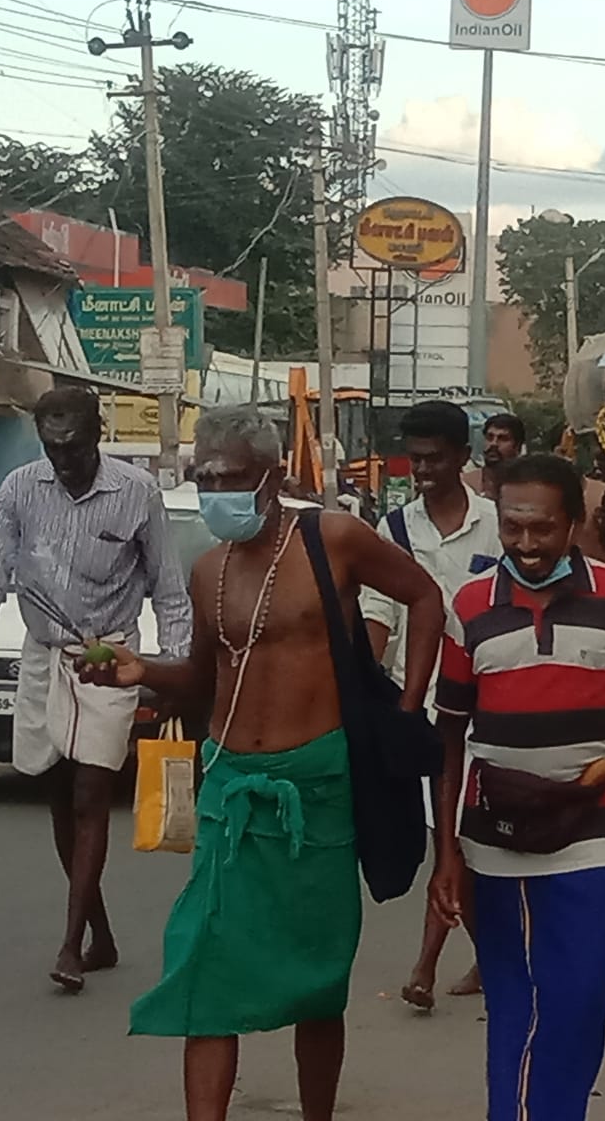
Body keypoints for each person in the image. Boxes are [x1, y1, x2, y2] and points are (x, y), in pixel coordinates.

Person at [95, 405, 444, 1121]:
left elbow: (424, 596)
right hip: (228, 790)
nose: (217, 490)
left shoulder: (333, 538)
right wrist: (141, 674)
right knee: (203, 967)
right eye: (205, 477)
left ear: (274, 476)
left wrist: (407, 709)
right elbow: (201, 677)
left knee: (317, 978)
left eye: (233, 477)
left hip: (315, 788)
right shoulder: (208, 571)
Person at [429, 453, 605, 1121]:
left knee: (581, 999)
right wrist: (446, 854)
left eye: (541, 529)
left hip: (590, 832)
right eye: (513, 527)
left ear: (573, 524)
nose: (525, 543)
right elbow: (449, 739)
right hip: (496, 839)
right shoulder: (468, 608)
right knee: (518, 1005)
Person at [0, 387, 191, 993]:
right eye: (51, 445)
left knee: (93, 790)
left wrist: (172, 669)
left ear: (97, 433)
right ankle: (101, 934)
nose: (63, 457)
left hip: (109, 658)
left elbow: (168, 587)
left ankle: (69, 946)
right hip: (44, 658)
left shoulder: (136, 493)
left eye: (74, 445)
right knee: (61, 795)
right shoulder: (19, 489)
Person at [360, 400, 502, 1012]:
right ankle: (463, 961)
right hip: (420, 708)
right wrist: (372, 697)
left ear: (462, 458)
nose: (421, 471)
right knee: (446, 834)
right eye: (413, 460)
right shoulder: (393, 532)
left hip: (492, 705)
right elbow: (377, 614)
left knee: (465, 840)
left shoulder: (501, 525)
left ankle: (446, 963)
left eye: (433, 460)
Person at [479, 411, 525, 501]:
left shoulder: (527, 485)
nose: (494, 444)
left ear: (517, 446)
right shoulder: (467, 483)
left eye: (503, 439)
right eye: (489, 437)